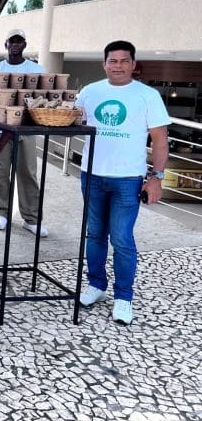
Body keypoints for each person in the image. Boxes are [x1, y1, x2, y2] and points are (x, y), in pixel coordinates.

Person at [75, 40, 169, 325]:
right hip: (92, 175)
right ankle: (96, 285)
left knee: (122, 239)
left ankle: (123, 297)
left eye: (124, 60)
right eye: (112, 61)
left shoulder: (148, 95)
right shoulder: (90, 92)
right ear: (104, 64)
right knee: (94, 234)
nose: (118, 66)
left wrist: (157, 177)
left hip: (128, 180)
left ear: (133, 64)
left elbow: (160, 139)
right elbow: (73, 121)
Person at [0, 28, 48, 236]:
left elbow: (40, 100)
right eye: (12, 40)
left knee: (28, 173)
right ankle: (0, 212)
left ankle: (31, 218)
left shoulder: (36, 69)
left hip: (25, 129)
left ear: (24, 44)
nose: (15, 44)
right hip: (0, 128)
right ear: (6, 44)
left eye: (19, 40)